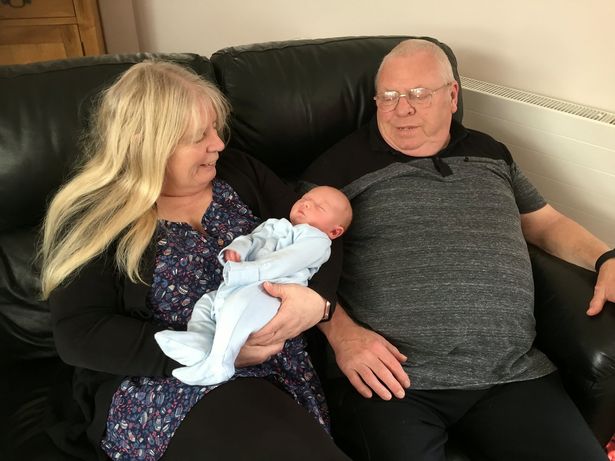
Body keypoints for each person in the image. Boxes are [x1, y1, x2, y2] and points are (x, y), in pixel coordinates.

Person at [302, 38, 615, 461]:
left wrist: (605, 257)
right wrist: (343, 336)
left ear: (452, 96)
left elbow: (544, 223)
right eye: (388, 96)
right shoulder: (335, 169)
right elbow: (296, 262)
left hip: (511, 372)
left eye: (418, 94)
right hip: (394, 378)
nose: (401, 109)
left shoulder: (492, 153)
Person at [40, 60, 351, 461]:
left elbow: (322, 230)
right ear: (146, 143)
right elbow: (80, 332)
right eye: (198, 136)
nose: (218, 144)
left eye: (216, 129)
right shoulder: (94, 215)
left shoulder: (239, 172)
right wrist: (213, 351)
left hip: (277, 368)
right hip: (168, 381)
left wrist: (318, 303)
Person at [154, 186, 352, 386]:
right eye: (305, 198)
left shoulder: (317, 241)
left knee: (237, 307)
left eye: (320, 207)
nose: (307, 203)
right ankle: (200, 343)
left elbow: (285, 262)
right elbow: (251, 240)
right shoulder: (274, 225)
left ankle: (219, 364)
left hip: (271, 292)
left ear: (334, 231)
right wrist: (236, 250)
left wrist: (245, 272)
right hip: (241, 285)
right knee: (206, 304)